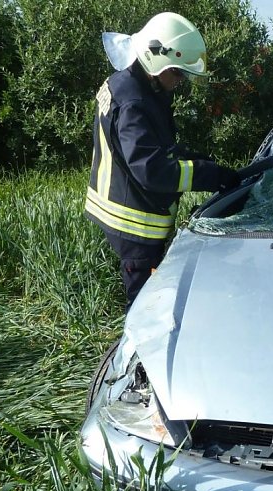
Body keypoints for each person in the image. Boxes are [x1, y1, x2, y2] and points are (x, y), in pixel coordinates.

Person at [85, 12, 239, 311]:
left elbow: (150, 145)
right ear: (156, 59)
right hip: (133, 221)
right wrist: (207, 174)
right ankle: (140, 355)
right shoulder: (134, 102)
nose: (182, 80)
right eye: (178, 72)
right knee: (145, 305)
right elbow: (152, 171)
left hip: (121, 198)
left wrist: (190, 158)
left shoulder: (131, 83)